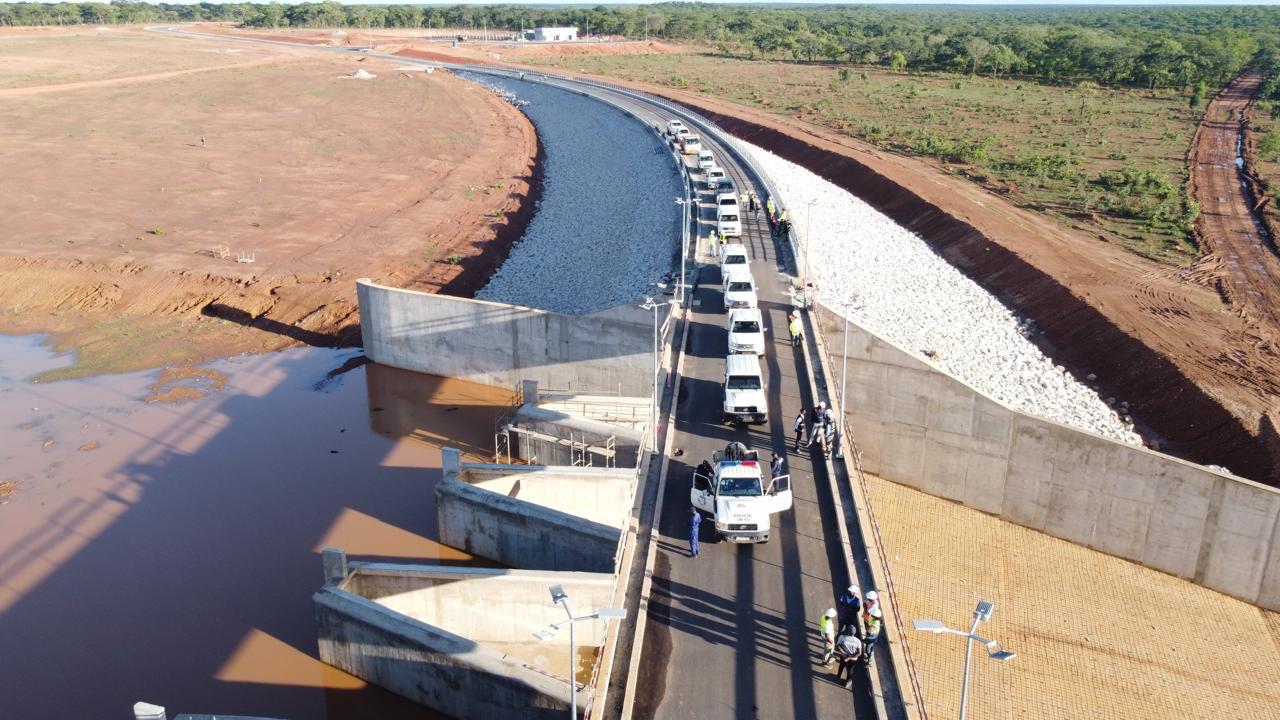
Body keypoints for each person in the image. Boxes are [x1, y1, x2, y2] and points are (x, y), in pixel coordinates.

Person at [862, 591, 883, 662]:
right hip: (871, 632)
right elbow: (865, 604)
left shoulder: (874, 606)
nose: (867, 599)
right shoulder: (874, 620)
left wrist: (867, 622)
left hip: (871, 635)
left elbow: (869, 629)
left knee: (868, 647)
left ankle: (869, 658)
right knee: (869, 644)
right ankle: (869, 652)